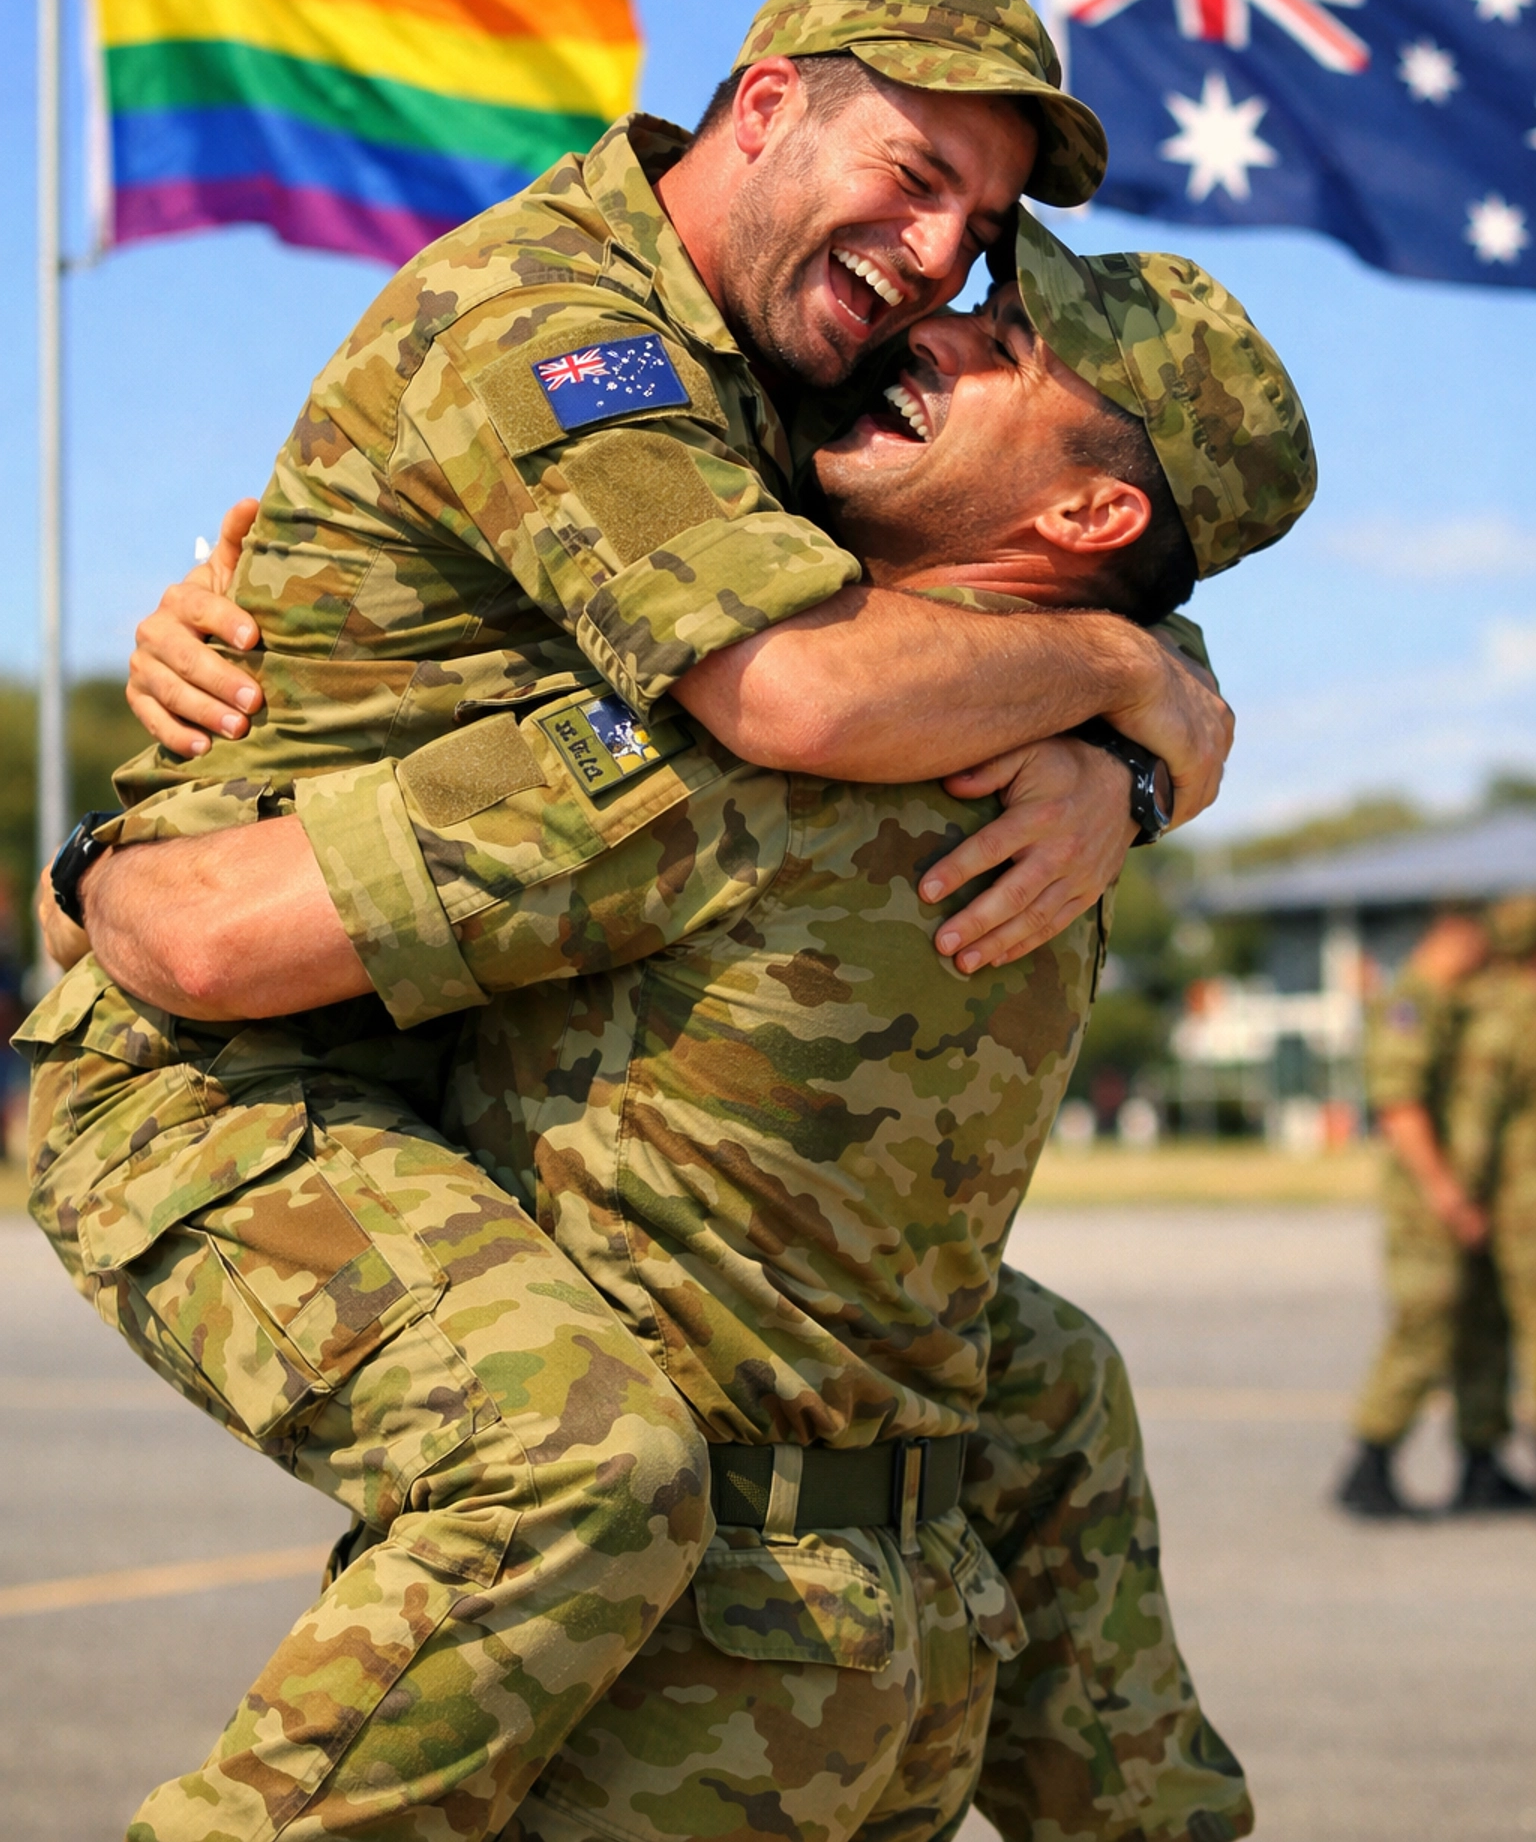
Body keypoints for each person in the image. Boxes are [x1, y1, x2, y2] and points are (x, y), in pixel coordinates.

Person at [32, 222, 1310, 1842]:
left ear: (1087, 513)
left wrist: (99, 857)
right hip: (911, 1647)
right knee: (1051, 1357)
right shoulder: (1076, 757)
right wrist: (1142, 713)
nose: (937, 327)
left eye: (1007, 348)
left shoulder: (730, 766)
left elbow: (200, 938)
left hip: (682, 1692)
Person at [1337, 908, 1533, 1517]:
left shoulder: (1463, 1000)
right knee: (1426, 1322)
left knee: (1482, 1326)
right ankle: (1370, 1462)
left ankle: (1481, 1460)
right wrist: (1449, 1196)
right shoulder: (1415, 1001)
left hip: (1473, 1191)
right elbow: (1398, 1105)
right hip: (1432, 1199)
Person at [1440, 892, 1536, 1501]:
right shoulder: (1511, 1010)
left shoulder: (1496, 1009)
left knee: (1490, 1331)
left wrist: (1462, 1197)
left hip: (1517, 1200)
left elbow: (1475, 1119)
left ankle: (1481, 1455)